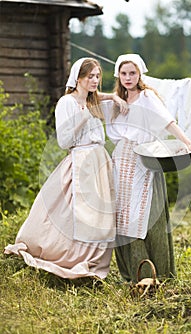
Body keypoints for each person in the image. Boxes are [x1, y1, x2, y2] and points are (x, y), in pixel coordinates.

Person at [4, 57, 127, 281]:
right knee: (72, 213)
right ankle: (67, 257)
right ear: (78, 78)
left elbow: (99, 97)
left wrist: (114, 97)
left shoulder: (93, 101)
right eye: (90, 76)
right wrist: (83, 117)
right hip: (80, 160)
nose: (95, 80)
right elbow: (64, 141)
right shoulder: (66, 103)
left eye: (98, 76)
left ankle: (94, 262)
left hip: (99, 160)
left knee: (100, 214)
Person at [102, 54, 191, 283]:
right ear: (118, 74)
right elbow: (86, 96)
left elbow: (168, 121)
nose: (128, 78)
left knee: (143, 213)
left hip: (143, 159)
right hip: (120, 160)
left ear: (140, 74)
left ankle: (155, 271)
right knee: (123, 215)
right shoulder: (116, 100)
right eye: (124, 73)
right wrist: (112, 97)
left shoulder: (147, 96)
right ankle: (132, 271)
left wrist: (187, 142)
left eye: (132, 73)